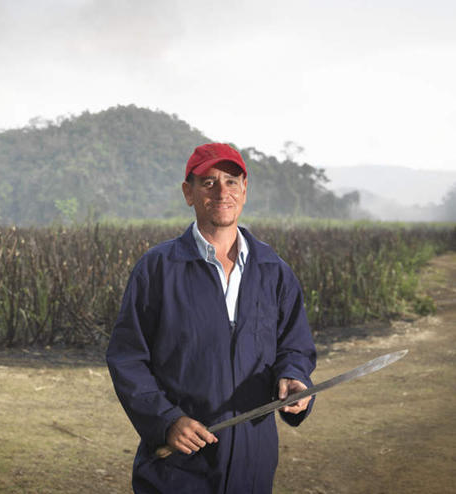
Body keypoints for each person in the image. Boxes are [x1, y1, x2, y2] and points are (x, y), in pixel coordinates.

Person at [106, 142, 317, 493]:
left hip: (254, 460)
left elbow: (294, 347)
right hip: (179, 464)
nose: (222, 192)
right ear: (188, 193)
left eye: (232, 181)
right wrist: (166, 420)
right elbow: (128, 358)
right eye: (208, 182)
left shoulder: (274, 272)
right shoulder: (158, 269)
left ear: (245, 190)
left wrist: (295, 378)